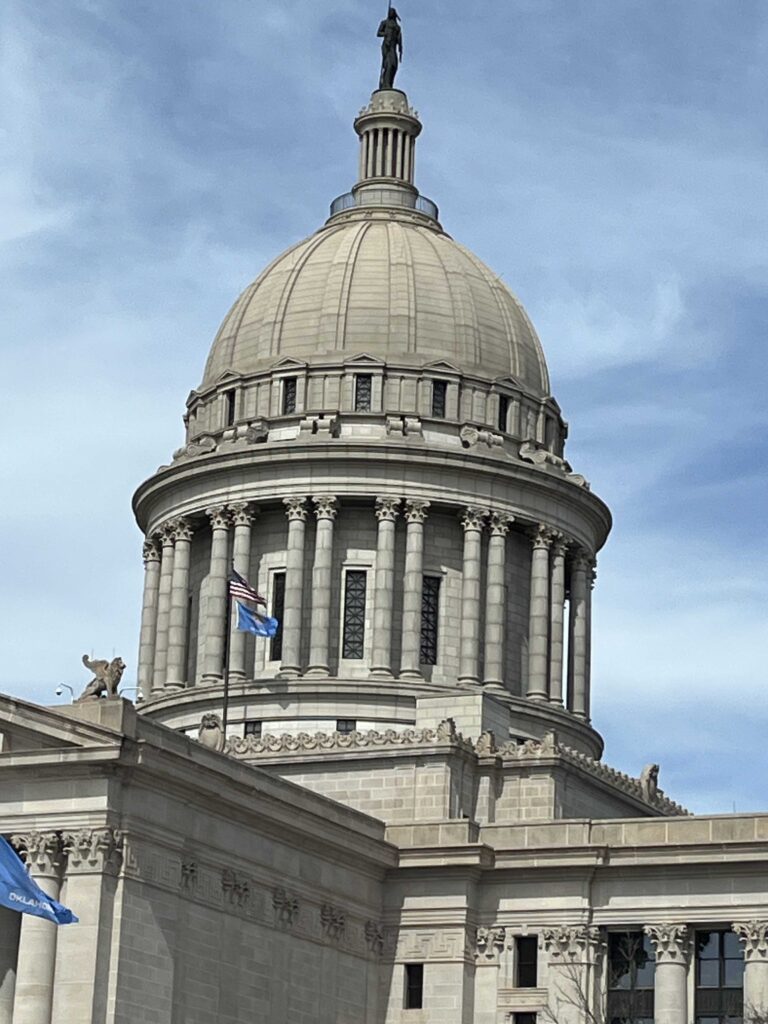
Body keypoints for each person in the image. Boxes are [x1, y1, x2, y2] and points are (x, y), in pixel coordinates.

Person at [378, 8, 403, 90]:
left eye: (392, 12)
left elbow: (399, 38)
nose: (390, 13)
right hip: (387, 46)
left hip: (393, 47)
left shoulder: (397, 27)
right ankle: (386, 83)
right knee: (388, 64)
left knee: (394, 65)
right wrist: (386, 33)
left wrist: (400, 48)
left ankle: (390, 83)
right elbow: (378, 33)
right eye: (389, 12)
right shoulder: (385, 22)